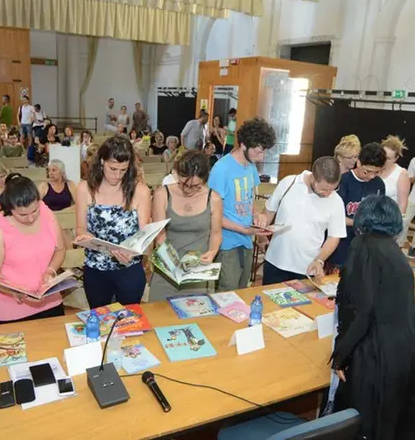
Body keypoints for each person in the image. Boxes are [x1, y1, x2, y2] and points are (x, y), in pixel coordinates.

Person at [332, 195, 415, 440]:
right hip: (413, 348)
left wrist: (340, 356)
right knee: (396, 422)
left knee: (367, 425)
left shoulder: (363, 245)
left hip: (380, 352)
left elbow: (361, 310)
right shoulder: (394, 250)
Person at [74, 136, 152, 307]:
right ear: (102, 161)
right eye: (113, 168)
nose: (117, 175)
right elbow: (80, 228)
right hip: (96, 268)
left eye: (123, 170)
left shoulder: (140, 191)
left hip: (129, 269)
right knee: (99, 319)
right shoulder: (85, 188)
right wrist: (84, 236)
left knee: (130, 320)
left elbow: (145, 236)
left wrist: (134, 252)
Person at [0, 174, 66, 324]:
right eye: (23, 214)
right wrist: (13, 291)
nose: (31, 218)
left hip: (49, 301)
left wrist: (50, 271)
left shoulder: (47, 213)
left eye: (34, 211)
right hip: (10, 308)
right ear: (10, 209)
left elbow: (60, 250)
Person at [208, 117, 276, 291]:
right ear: (244, 145)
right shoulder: (221, 169)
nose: (262, 157)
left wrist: (256, 215)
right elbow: (213, 215)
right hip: (226, 243)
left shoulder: (250, 166)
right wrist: (244, 229)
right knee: (227, 291)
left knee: (242, 290)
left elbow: (249, 199)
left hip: (246, 240)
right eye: (259, 151)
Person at [149, 151, 222, 301]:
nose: (188, 189)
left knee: (194, 316)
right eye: (183, 184)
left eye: (195, 186)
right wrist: (172, 264)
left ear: (204, 180)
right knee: (159, 315)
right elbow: (160, 234)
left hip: (197, 270)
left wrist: (213, 251)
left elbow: (216, 232)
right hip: (167, 268)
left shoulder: (213, 198)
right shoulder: (163, 194)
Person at [260, 156, 346, 284]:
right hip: (275, 262)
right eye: (323, 189)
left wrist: (319, 260)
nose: (327, 193)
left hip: (306, 268)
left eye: (333, 189)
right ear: (312, 177)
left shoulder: (336, 201)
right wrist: (261, 235)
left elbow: (334, 237)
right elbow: (268, 211)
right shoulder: (289, 183)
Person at [328, 142, 387, 269]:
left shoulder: (379, 184)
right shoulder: (343, 182)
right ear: (359, 163)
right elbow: (333, 218)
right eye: (368, 171)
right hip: (341, 246)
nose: (371, 176)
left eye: (376, 172)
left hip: (366, 247)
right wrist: (359, 222)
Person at [379, 135, 409, 213]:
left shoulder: (401, 173)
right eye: (383, 156)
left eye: (388, 158)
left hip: (390, 220)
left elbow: (403, 205)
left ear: (396, 158)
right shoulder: (374, 169)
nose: (384, 160)